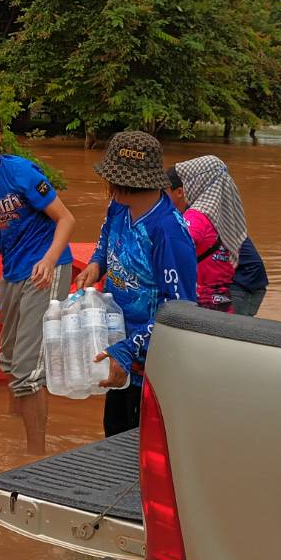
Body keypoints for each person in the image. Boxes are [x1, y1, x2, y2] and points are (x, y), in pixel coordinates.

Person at [0, 108, 77, 455]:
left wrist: (50, 260)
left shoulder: (21, 172)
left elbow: (66, 220)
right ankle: (12, 429)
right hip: (11, 273)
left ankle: (33, 455)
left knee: (27, 368)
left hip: (46, 269)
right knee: (9, 357)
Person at [75, 132, 197, 437]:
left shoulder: (168, 232)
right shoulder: (118, 206)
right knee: (112, 432)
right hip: (117, 343)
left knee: (139, 444)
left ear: (129, 182)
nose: (109, 189)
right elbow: (105, 239)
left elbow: (181, 311)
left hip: (150, 363)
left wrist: (131, 349)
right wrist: (96, 263)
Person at [169, 155, 269, 316]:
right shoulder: (215, 210)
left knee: (224, 332)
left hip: (242, 282)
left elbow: (177, 248)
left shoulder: (198, 216)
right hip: (244, 279)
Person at [166, 167, 233, 313]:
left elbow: (174, 249)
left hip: (206, 299)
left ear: (181, 191)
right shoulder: (218, 213)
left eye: (164, 191)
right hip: (221, 295)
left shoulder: (195, 216)